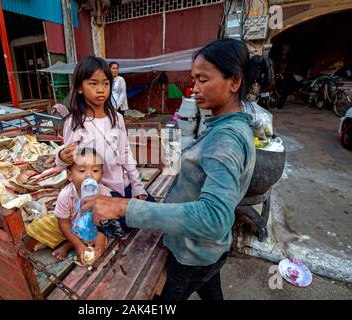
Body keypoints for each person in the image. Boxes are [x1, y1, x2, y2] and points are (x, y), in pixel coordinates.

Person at [82, 38, 274, 300]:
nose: (194, 88)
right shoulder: (223, 127)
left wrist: (124, 207)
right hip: (207, 249)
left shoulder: (226, 139)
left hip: (193, 254)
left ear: (235, 82)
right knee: (211, 287)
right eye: (194, 79)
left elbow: (213, 219)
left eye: (203, 80)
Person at [56, 56, 154, 213]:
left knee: (152, 212)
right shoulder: (74, 123)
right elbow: (68, 163)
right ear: (80, 88)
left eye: (106, 83)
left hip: (124, 184)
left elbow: (125, 153)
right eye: (93, 83)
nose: (101, 89)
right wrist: (61, 157)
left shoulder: (117, 118)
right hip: (98, 191)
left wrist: (137, 186)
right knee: (125, 223)